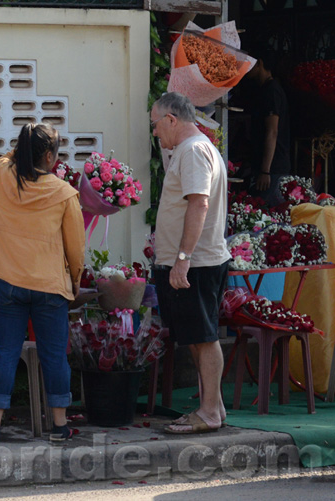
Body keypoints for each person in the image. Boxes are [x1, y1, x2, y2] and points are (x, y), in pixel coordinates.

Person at [0, 123, 85, 444]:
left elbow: (7, 159)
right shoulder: (65, 193)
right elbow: (75, 248)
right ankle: (60, 427)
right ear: (50, 155)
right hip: (49, 285)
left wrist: (25, 144)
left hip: (6, 280)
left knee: (5, 352)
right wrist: (74, 282)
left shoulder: (4, 175)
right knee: (54, 356)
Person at [150, 92, 231, 433]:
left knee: (205, 336)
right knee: (198, 336)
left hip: (196, 263)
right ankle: (213, 407)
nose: (155, 133)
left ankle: (210, 411)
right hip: (191, 261)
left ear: (171, 119)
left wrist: (182, 259)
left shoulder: (194, 150)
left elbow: (198, 205)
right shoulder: (190, 149)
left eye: (156, 124)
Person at [246, 43, 291, 204]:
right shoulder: (263, 90)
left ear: (259, 63)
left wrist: (265, 171)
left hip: (273, 168)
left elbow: (272, 131)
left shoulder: (272, 91)